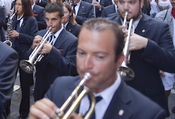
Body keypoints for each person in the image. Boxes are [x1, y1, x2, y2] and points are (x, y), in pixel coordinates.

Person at [29, 18, 167, 119]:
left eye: (100, 56)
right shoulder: (59, 87)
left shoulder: (148, 113)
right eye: (82, 53)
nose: (86, 64)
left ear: (119, 60)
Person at [107, 0, 175, 116]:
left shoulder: (158, 27)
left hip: (147, 100)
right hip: (113, 98)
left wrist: (147, 44)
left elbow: (172, 63)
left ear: (141, 3)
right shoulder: (106, 24)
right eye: (121, 2)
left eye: (131, 2)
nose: (125, 7)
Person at [29, 3, 77, 101]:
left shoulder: (72, 40)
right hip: (40, 88)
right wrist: (32, 48)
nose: (50, 23)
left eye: (54, 19)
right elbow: (29, 59)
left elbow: (71, 69)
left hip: (59, 91)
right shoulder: (40, 34)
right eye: (47, 19)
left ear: (62, 19)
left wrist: (52, 52)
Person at [9, 0, 38, 118]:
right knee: (8, 82)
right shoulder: (13, 18)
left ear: (25, 6)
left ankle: (24, 112)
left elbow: (33, 38)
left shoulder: (31, 20)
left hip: (25, 55)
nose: (17, 7)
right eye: (16, 4)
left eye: (19, 5)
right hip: (13, 54)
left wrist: (19, 35)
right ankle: (5, 108)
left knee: (25, 86)